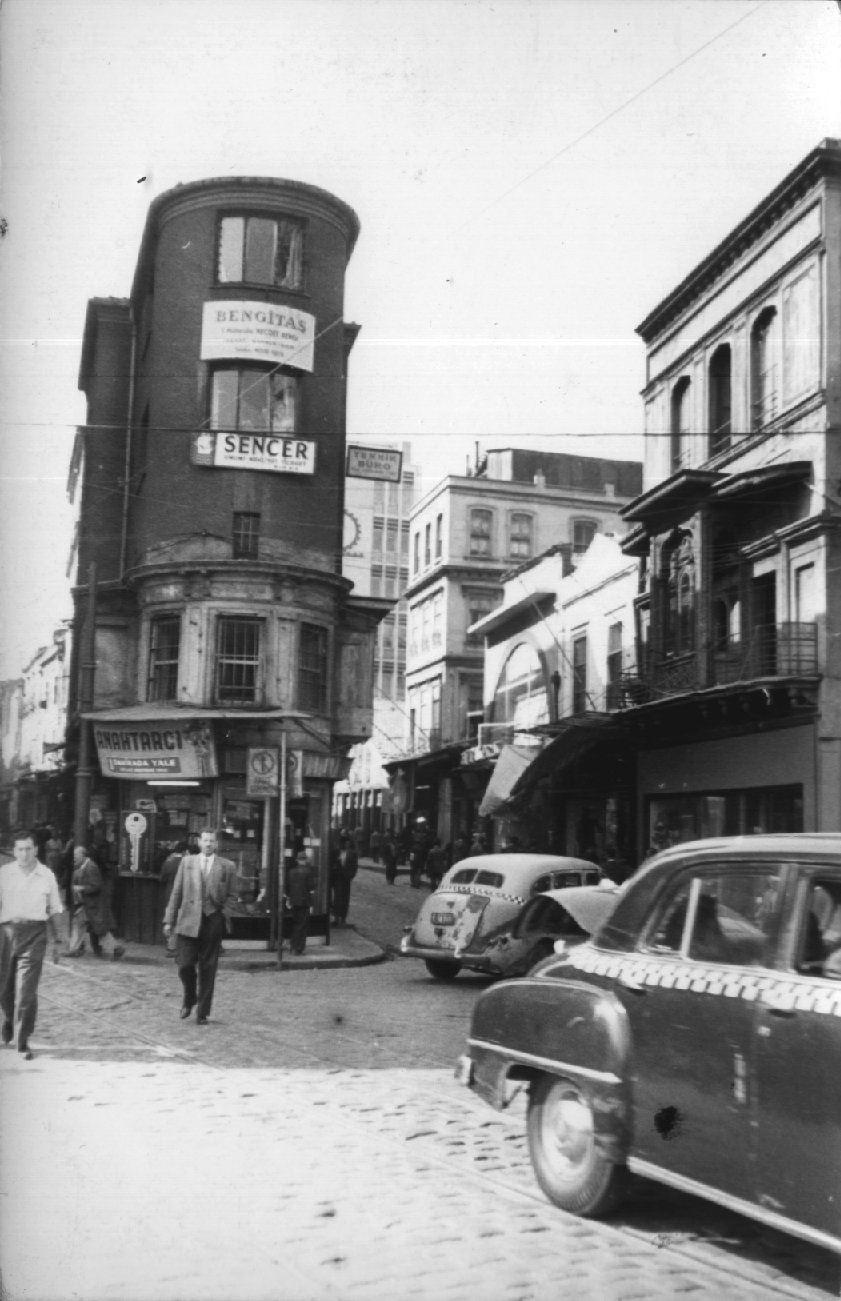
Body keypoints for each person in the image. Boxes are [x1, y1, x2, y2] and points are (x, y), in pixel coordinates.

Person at [0, 829, 64, 1058]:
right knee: (4, 989)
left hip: (35, 935)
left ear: (36, 849)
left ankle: (22, 1039)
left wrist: (58, 941)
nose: (25, 854)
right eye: (20, 849)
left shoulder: (46, 875)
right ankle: (8, 1020)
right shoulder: (4, 874)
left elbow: (55, 909)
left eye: (29, 849)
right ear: (14, 851)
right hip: (6, 933)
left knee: (25, 991)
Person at [162, 828, 237, 1025]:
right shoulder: (187, 863)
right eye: (205, 840)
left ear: (217, 844)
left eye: (212, 841)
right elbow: (176, 892)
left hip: (212, 920)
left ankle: (202, 1012)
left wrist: (223, 915)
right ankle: (189, 996)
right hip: (188, 920)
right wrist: (169, 920)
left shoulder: (227, 866)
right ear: (199, 842)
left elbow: (232, 895)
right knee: (184, 965)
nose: (208, 844)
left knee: (208, 966)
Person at [68, 845, 125, 960]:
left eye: (76, 855)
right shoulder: (83, 866)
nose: (74, 858)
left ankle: (116, 947)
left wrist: (82, 888)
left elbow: (96, 886)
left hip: (94, 905)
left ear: (83, 855)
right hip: (88, 905)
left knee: (99, 929)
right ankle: (74, 949)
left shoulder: (91, 867)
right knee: (80, 924)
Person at [284, 852, 313, 955]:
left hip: (294, 902)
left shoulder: (291, 872)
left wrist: (289, 897)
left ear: (297, 860)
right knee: (302, 925)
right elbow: (311, 886)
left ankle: (293, 946)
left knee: (296, 924)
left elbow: (287, 887)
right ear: (305, 860)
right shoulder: (308, 872)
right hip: (304, 902)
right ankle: (298, 947)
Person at [330, 833, 358, 926]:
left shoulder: (352, 853)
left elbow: (354, 866)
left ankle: (343, 918)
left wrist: (350, 876)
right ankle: (336, 918)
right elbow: (331, 863)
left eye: (347, 843)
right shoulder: (336, 852)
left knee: (345, 899)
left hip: (346, 879)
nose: (346, 844)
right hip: (337, 879)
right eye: (344, 843)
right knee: (337, 899)